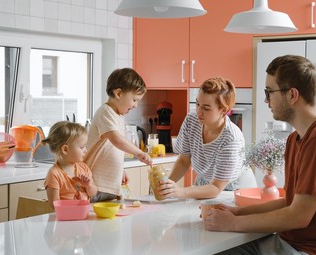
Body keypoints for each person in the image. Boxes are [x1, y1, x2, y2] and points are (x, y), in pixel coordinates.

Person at [203, 55, 316, 255]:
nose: (266, 100)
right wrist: (235, 213)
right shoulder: (296, 138)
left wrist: (232, 224)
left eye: (269, 92)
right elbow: (290, 202)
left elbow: (298, 216)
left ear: (292, 95)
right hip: (295, 245)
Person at [158, 77, 257, 200]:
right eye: (197, 104)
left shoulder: (232, 139)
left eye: (206, 108)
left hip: (234, 190)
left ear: (223, 110)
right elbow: (184, 160)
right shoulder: (192, 121)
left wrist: (180, 192)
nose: (199, 111)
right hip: (205, 185)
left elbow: (216, 188)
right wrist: (166, 186)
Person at [84, 68, 152, 202]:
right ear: (119, 93)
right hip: (94, 184)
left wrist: (120, 169)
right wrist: (139, 153)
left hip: (109, 185)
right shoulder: (105, 112)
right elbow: (116, 139)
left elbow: (112, 148)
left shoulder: (118, 116)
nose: (136, 105)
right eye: (134, 99)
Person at [43, 121, 97, 208]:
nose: (85, 150)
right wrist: (74, 203)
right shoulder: (54, 174)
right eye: (82, 147)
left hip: (83, 215)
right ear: (65, 149)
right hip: (65, 218)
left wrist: (89, 185)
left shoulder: (83, 167)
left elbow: (93, 193)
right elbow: (54, 204)